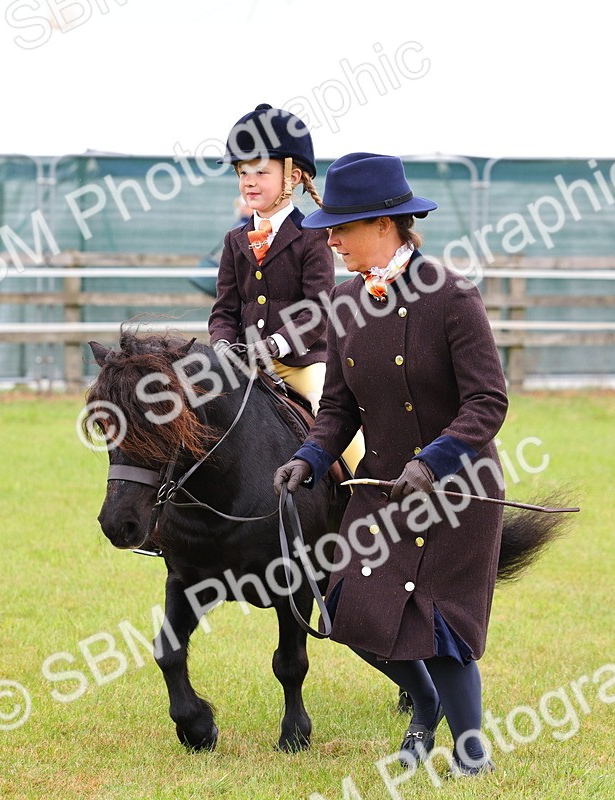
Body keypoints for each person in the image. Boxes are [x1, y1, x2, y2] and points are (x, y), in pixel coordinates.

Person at [272, 153, 506, 775]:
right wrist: (312, 455)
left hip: (459, 489)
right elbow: (340, 405)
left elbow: (489, 400)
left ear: (384, 224)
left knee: (443, 627)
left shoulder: (453, 296)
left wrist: (433, 462)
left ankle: (472, 752)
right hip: (381, 491)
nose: (330, 238)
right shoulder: (345, 302)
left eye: (341, 227)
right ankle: (424, 707)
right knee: (347, 606)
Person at [209, 103, 363, 472]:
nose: (249, 181)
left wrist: (275, 344)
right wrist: (222, 346)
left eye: (261, 172)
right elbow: (225, 307)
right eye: (243, 173)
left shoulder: (312, 235)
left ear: (292, 177)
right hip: (241, 360)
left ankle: (372, 495)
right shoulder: (234, 240)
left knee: (337, 417)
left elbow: (318, 308)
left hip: (302, 362)